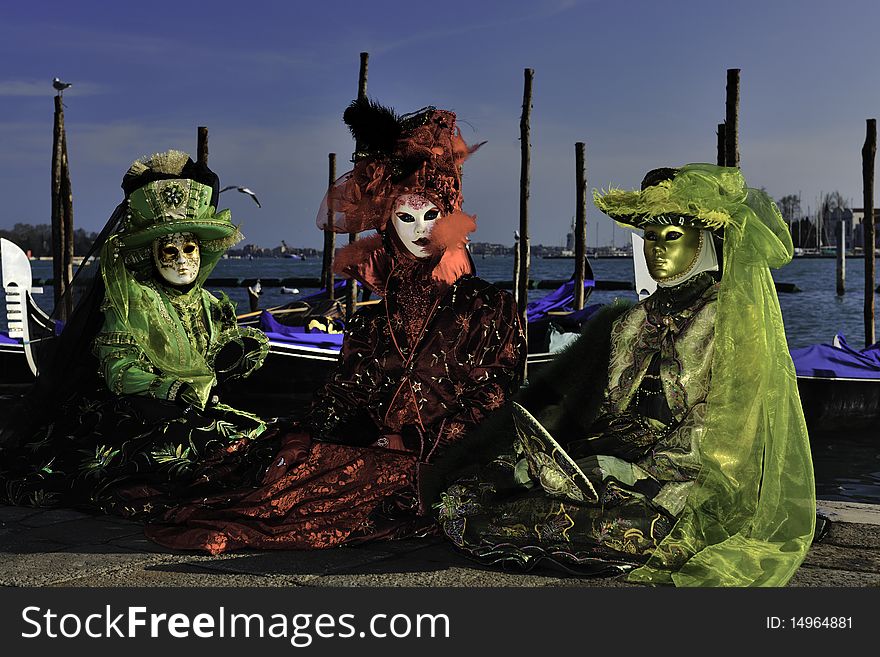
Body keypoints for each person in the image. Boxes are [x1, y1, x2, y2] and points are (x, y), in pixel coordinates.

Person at [144, 99, 525, 553]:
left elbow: (498, 391)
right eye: (406, 216)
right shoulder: (374, 318)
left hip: (453, 456)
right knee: (290, 467)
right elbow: (347, 390)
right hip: (376, 446)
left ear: (450, 215)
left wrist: (417, 439)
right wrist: (322, 429)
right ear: (387, 222)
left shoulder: (490, 306)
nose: (420, 229)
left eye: (430, 215)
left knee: (360, 485)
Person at [432, 164, 815, 587]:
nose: (657, 250)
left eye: (672, 236)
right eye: (650, 238)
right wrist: (565, 460)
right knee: (469, 498)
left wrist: (636, 472)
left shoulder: (731, 322)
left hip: (685, 480)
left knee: (607, 528)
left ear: (703, 242)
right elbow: (609, 411)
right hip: (611, 464)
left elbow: (729, 431)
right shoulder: (631, 322)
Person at [0, 150, 270, 516]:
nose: (181, 259)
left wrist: (239, 355)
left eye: (189, 247)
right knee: (179, 455)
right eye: (169, 250)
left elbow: (219, 356)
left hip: (201, 408)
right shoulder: (132, 300)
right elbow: (118, 370)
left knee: (261, 439)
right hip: (142, 410)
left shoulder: (210, 303)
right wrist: (172, 388)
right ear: (151, 255)